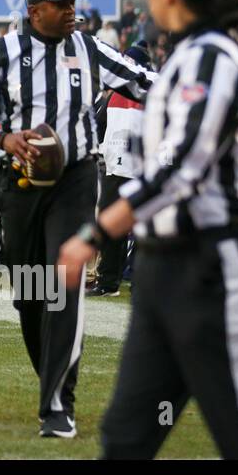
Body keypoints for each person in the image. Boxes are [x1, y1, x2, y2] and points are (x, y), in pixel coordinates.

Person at [58, 0, 238, 459]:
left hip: (213, 264)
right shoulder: (186, 57)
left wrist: (93, 232)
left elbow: (183, 168)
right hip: (165, 268)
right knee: (126, 439)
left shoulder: (214, 58)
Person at [0, 0, 155, 439]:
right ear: (34, 11)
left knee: (64, 284)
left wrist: (201, 95)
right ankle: (51, 381)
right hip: (22, 184)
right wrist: (4, 137)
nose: (71, 10)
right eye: (61, 3)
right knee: (30, 295)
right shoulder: (3, 52)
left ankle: (58, 404)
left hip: (76, 179)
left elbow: (143, 80)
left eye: (73, 1)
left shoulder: (87, 48)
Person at [89, 42, 154, 297]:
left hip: (141, 169)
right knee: (110, 225)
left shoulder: (149, 93)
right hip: (113, 168)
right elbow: (98, 125)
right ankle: (108, 282)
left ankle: (142, 280)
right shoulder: (113, 93)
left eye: (129, 60)